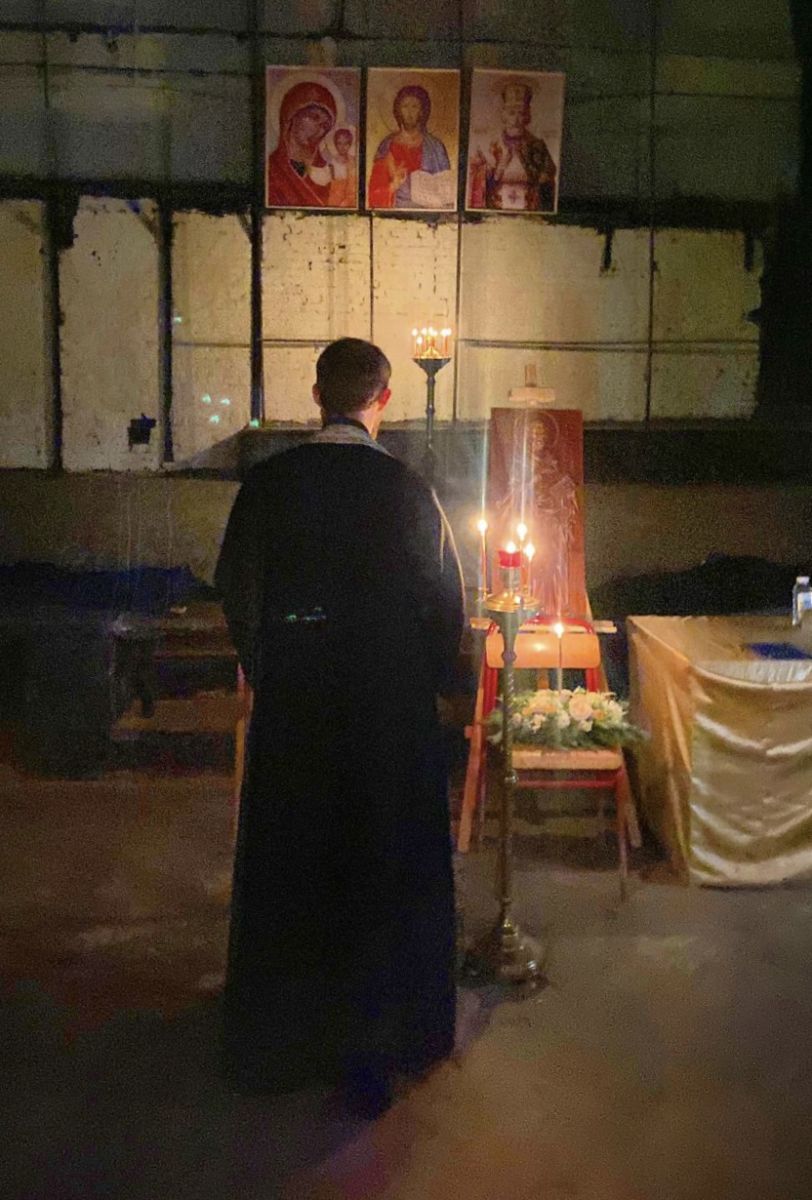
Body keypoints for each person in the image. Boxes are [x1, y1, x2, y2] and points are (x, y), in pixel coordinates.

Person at [215, 338, 465, 1115]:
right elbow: (443, 602)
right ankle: (379, 1040)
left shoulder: (269, 484)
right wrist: (426, 684)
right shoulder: (407, 490)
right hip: (388, 715)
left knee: (296, 861)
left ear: (317, 392)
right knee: (380, 862)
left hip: (297, 710)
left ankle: (285, 1041)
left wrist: (269, 667)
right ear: (383, 398)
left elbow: (237, 587)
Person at [468, 80, 557, 212]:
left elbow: (547, 181)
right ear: (504, 114)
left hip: (530, 209)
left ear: (527, 116)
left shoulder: (537, 146)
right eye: (511, 113)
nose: (516, 120)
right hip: (495, 210)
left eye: (520, 113)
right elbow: (478, 182)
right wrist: (499, 168)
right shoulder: (491, 145)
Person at [368, 84, 451, 208]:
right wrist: (394, 185)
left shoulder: (435, 147)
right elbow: (375, 192)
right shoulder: (387, 146)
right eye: (405, 106)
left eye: (414, 106)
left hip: (428, 212)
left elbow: (446, 189)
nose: (409, 112)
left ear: (422, 111)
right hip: (395, 211)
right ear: (398, 110)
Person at [266, 79, 337, 207]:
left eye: (325, 125)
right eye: (314, 117)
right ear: (292, 115)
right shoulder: (270, 170)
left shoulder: (327, 174)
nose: (320, 129)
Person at [326, 127, 357, 208]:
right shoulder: (332, 163)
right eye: (339, 143)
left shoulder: (353, 161)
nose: (342, 147)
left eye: (346, 143)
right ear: (335, 144)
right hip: (335, 200)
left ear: (350, 144)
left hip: (350, 199)